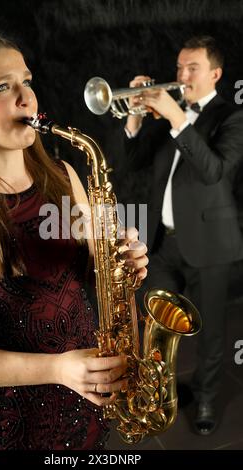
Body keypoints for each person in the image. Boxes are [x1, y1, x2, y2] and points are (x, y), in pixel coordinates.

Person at [0, 33, 148, 450]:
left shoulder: (64, 175)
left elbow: (100, 270)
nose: (27, 99)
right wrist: (58, 371)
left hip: (86, 402)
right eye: (2, 86)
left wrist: (124, 260)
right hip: (12, 424)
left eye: (27, 81)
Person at [123, 35, 243, 436]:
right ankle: (160, 394)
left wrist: (177, 117)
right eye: (178, 67)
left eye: (192, 68)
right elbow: (135, 162)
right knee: (155, 322)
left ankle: (208, 398)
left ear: (215, 73)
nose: (182, 75)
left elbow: (213, 170)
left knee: (209, 328)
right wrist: (136, 117)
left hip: (210, 245)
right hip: (162, 242)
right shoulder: (169, 115)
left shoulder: (231, 117)